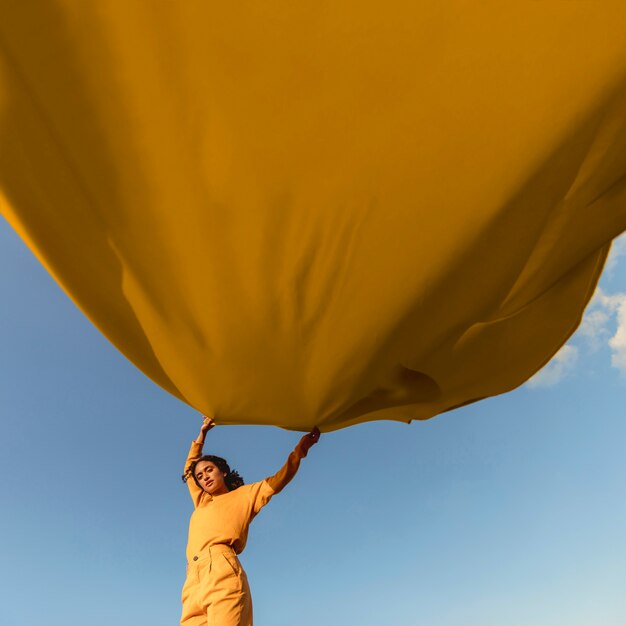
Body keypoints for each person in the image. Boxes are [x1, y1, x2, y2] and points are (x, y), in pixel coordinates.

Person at [180, 415, 321, 626]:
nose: (204, 477)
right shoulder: (201, 500)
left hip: (222, 571)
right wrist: (201, 436)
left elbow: (278, 479)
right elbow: (189, 469)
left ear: (223, 471)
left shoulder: (246, 495)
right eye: (200, 476)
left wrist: (301, 449)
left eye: (209, 470)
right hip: (192, 579)